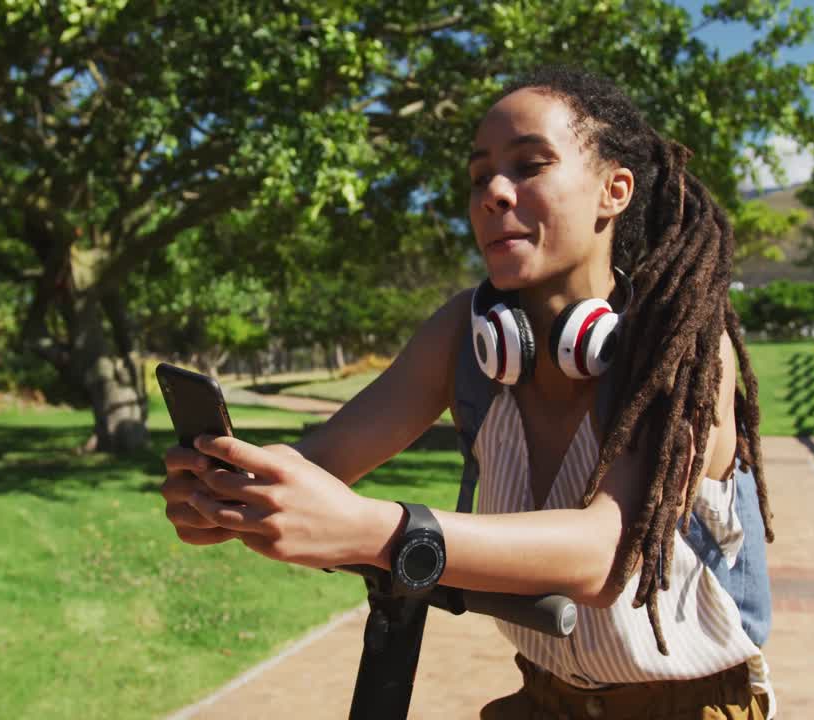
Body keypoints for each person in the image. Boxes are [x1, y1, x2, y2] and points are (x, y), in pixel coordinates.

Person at [162, 66, 776, 719]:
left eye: (529, 166)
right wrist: (232, 499)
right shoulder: (466, 332)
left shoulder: (685, 349)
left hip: (691, 707)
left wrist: (377, 530)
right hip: (545, 698)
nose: (494, 194)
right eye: (480, 176)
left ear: (613, 189)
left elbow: (607, 554)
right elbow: (324, 460)